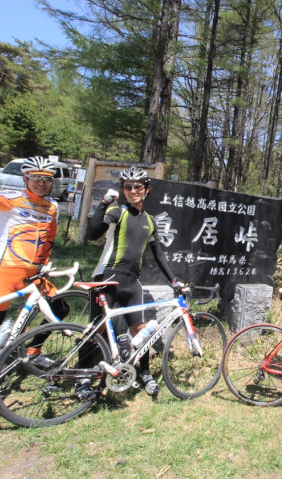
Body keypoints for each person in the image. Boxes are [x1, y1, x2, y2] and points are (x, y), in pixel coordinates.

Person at [0, 145, 65, 366]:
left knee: (60, 307)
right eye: (35, 178)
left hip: (33, 274)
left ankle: (32, 351)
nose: (41, 183)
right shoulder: (11, 198)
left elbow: (49, 239)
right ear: (26, 179)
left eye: (47, 179)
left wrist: (44, 264)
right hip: (3, 269)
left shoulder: (52, 207)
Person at [85, 166, 178, 397]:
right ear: (122, 190)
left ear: (146, 190)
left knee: (141, 330)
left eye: (138, 187)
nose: (133, 190)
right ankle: (84, 379)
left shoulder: (150, 220)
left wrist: (173, 280)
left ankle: (144, 372)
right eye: (128, 187)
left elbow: (159, 253)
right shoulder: (117, 212)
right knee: (95, 331)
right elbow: (93, 234)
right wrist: (104, 203)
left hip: (132, 282)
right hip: (106, 278)